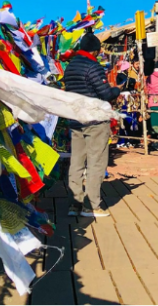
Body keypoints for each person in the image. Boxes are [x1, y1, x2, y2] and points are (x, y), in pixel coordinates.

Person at [62, 31, 120, 218]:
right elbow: (105, 93)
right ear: (95, 51)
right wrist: (117, 89)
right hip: (95, 120)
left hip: (76, 119)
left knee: (77, 162)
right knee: (96, 162)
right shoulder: (92, 67)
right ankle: (92, 205)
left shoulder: (70, 67)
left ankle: (75, 203)